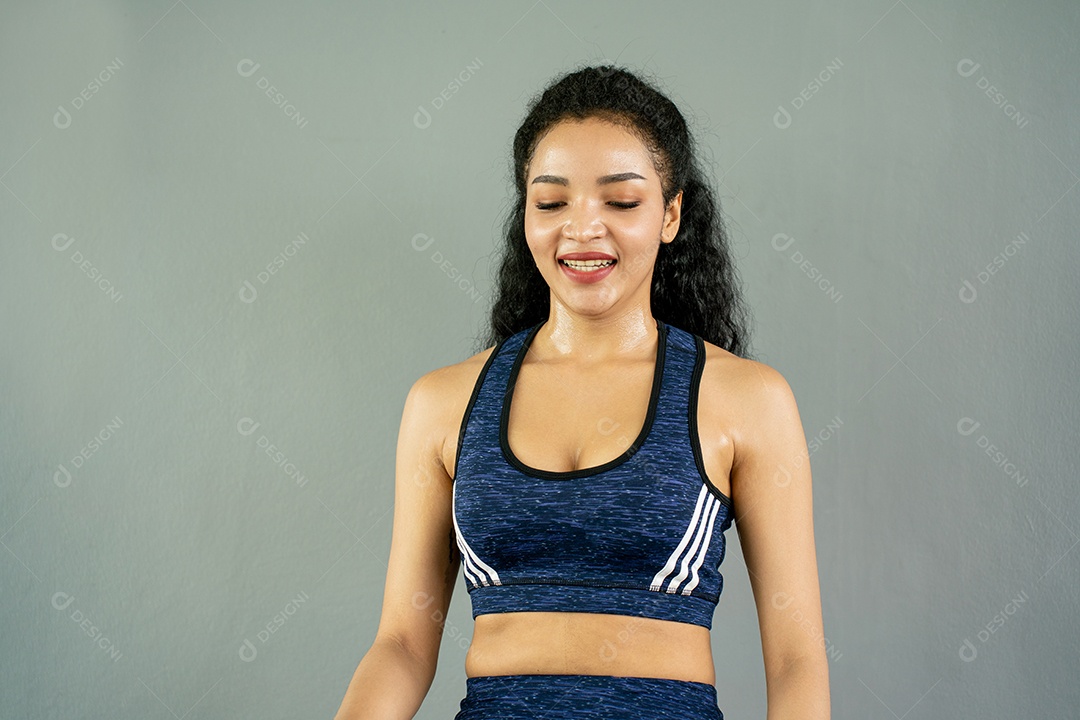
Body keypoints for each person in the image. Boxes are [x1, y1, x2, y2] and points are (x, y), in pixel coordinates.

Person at [333, 64, 830, 719]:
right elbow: (400, 644)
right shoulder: (444, 402)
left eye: (620, 202)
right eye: (551, 201)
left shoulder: (745, 400)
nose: (582, 227)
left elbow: (796, 660)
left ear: (671, 214)